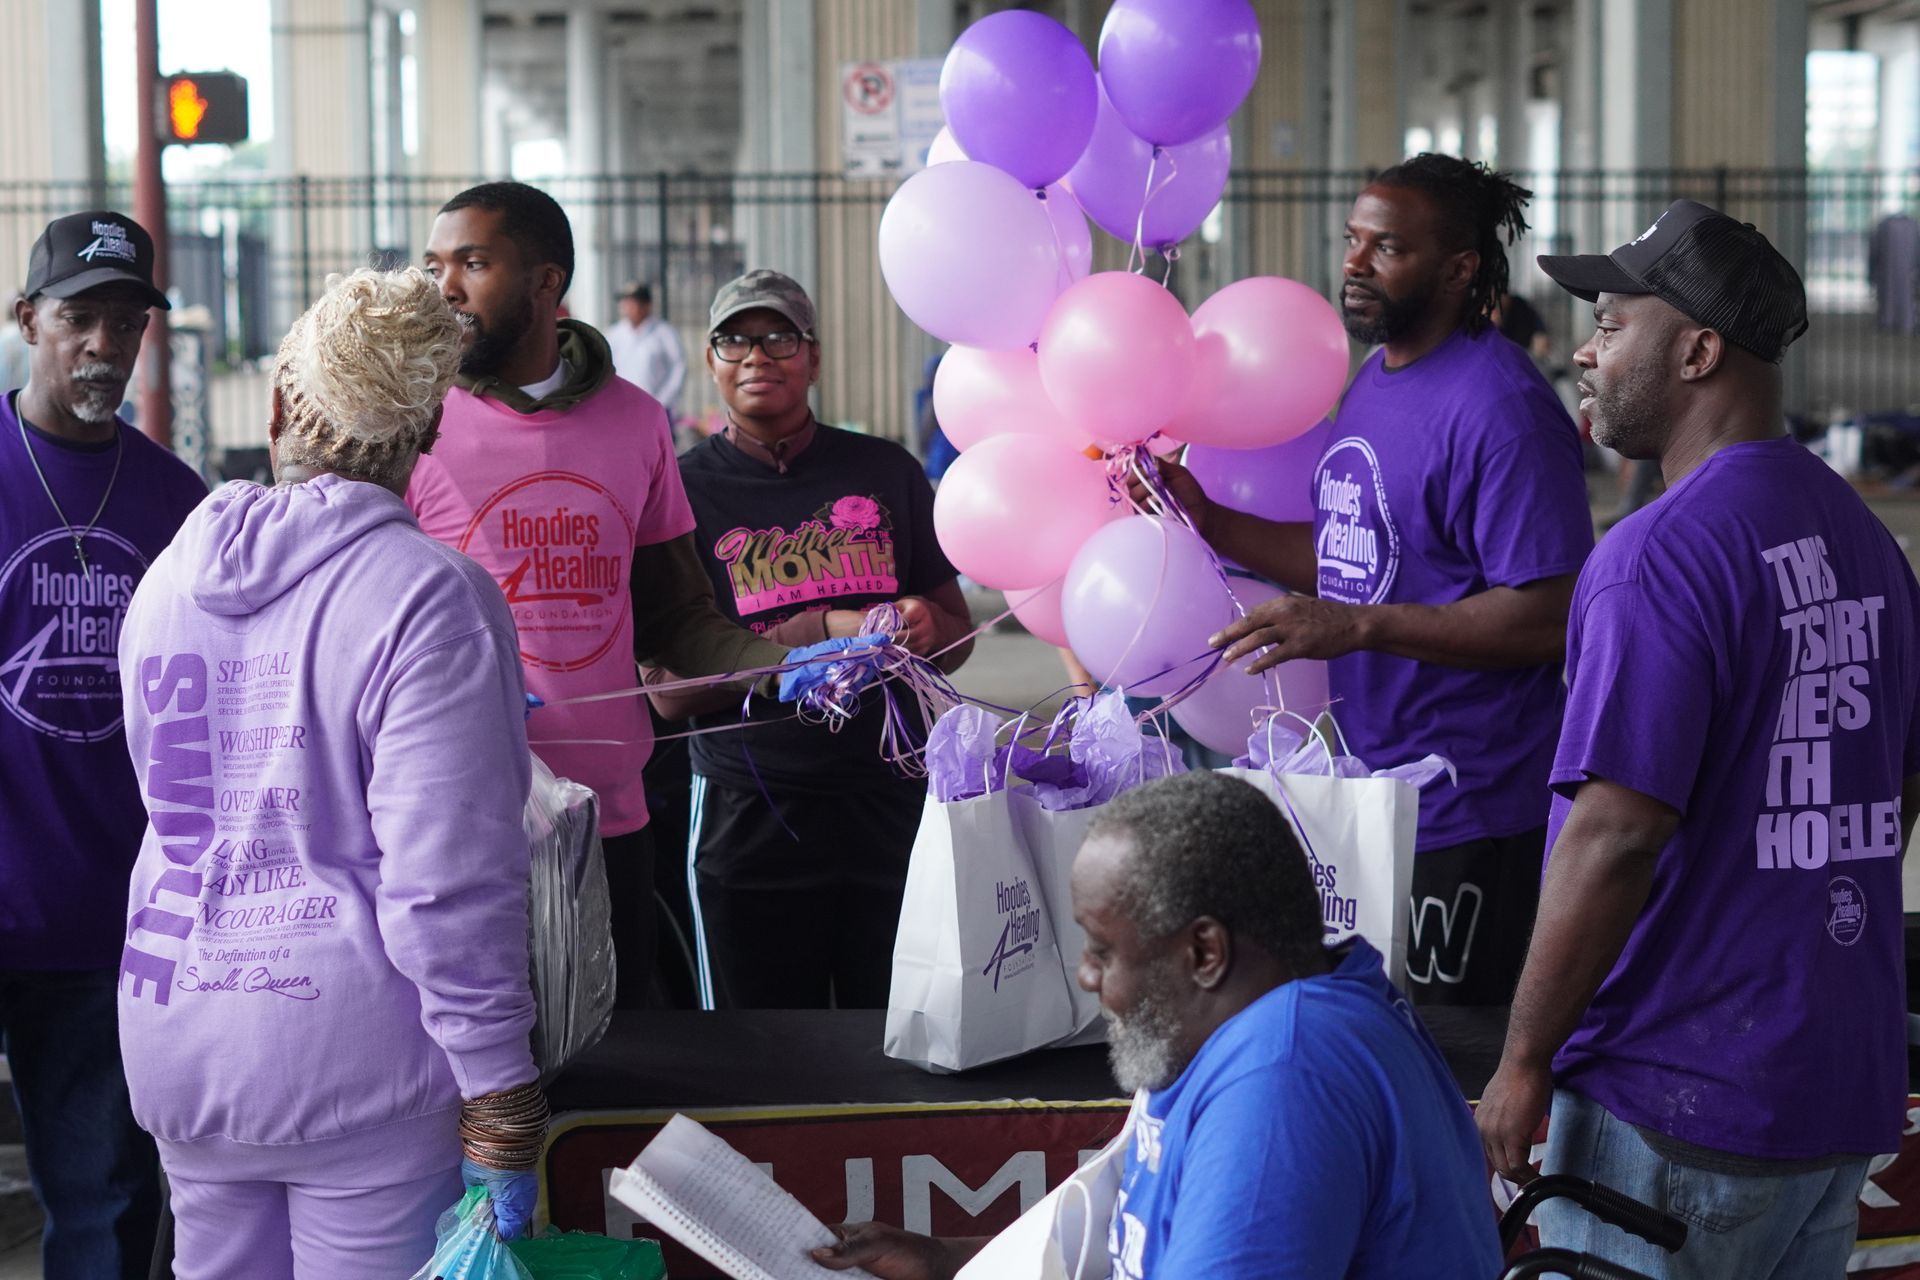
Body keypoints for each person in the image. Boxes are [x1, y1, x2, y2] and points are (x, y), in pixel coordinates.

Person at [1477, 200, 1920, 1278]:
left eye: (1613, 321)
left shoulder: (1655, 558)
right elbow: (1897, 779)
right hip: (1832, 1092)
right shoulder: (1867, 540)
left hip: (1673, 1100)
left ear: (1697, 348)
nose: (1584, 346)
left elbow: (1614, 832)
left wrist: (1525, 1058)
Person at [116, 268, 546, 1276]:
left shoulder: (168, 579)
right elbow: (446, 880)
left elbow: (170, 800)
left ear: (276, 406)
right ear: (428, 432)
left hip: (179, 1036)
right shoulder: (430, 598)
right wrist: (500, 1086)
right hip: (357, 1071)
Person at [1166, 154, 1594, 1007]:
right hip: (1370, 798)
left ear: (1459, 268)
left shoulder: (1501, 408)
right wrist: (1210, 521)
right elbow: (1350, 556)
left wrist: (1358, 627)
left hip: (1472, 811)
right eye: (1353, 240)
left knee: (1458, 1072)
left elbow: (1551, 616)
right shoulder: (1379, 377)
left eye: (1387, 247)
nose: (1355, 264)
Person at [814, 772, 1503, 1279]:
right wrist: (949, 1263)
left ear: (1204, 952)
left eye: (1103, 950)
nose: (1087, 976)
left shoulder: (1284, 1075)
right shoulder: (1283, 1011)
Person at [407, 183, 797, 1010]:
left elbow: (673, 614)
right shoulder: (413, 424)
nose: (445, 287)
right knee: (489, 1096)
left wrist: (784, 664)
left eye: (473, 263)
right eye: (436, 264)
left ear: (547, 282)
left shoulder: (638, 421)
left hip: (609, 822)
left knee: (618, 1080)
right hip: (461, 828)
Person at [647, 270, 972, 1009]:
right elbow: (665, 695)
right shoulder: (679, 491)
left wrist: (924, 624)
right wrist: (816, 633)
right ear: (711, 362)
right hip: (748, 814)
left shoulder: (884, 470)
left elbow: (958, 637)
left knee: (892, 1042)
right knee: (757, 1055)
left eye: (779, 338)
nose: (756, 355)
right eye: (735, 339)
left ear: (814, 360)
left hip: (889, 801)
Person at [0, 210, 200, 1279]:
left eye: (126, 322)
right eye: (80, 316)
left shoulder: (179, 502)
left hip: (105, 917)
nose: (104, 344)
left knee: (109, 1210)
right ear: (28, 318)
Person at [606, 281, 688, 419]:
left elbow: (679, 366)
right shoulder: (614, 334)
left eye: (632, 302)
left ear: (647, 306)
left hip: (656, 407)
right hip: (621, 407)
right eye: (624, 302)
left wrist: (664, 400)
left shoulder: (664, 333)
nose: (626, 307)